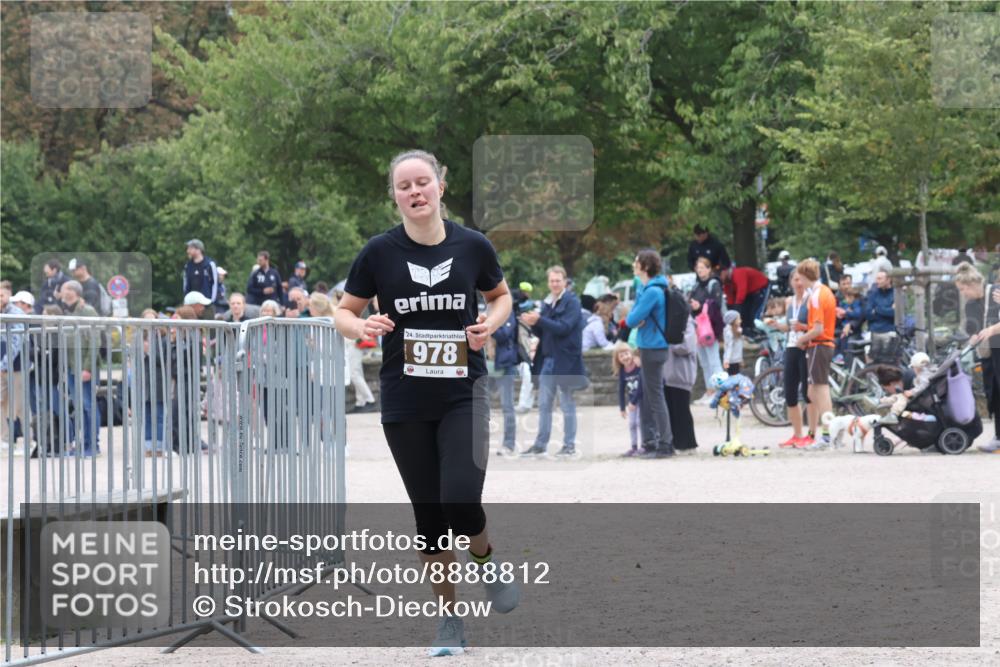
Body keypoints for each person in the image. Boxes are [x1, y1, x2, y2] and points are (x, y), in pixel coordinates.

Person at [333, 149, 519, 656]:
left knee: (460, 499)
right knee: (429, 517)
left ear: (440, 185)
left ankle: (486, 560)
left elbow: (501, 297)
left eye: (422, 182)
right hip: (405, 401)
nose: (414, 192)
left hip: (464, 393)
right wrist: (361, 325)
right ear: (394, 196)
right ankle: (449, 620)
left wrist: (490, 325)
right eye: (403, 186)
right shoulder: (378, 253)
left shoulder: (473, 246)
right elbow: (343, 312)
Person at [519, 266, 585, 458]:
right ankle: (540, 445)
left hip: (565, 361)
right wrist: (532, 323)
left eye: (558, 280)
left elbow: (564, 328)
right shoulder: (547, 303)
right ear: (548, 283)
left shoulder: (572, 302)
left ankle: (569, 446)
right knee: (544, 405)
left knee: (567, 404)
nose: (555, 284)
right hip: (548, 360)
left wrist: (539, 320)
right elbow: (544, 331)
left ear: (565, 281)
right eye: (552, 281)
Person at [624, 249, 674, 459]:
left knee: (655, 397)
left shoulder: (652, 291)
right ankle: (655, 441)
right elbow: (634, 317)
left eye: (636, 262)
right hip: (651, 346)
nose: (634, 265)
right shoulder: (649, 289)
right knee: (653, 396)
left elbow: (631, 320)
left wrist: (637, 318)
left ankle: (665, 443)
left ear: (645, 266)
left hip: (653, 347)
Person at [955, 262, 1000, 452]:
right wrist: (973, 336)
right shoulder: (971, 305)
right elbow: (973, 331)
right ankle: (998, 437)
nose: (963, 293)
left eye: (963, 289)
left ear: (973, 284)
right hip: (988, 353)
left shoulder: (996, 292)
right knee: (994, 393)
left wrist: (991, 329)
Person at [794, 259, 838, 449]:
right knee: (814, 390)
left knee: (820, 389)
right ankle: (831, 430)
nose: (799, 282)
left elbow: (818, 329)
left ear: (804, 276)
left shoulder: (815, 296)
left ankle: (829, 433)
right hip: (823, 344)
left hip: (819, 345)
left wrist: (801, 339)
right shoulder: (826, 291)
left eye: (800, 278)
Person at [56, 280, 102, 456]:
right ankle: (83, 442)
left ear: (72, 292)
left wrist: (88, 368)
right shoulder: (69, 311)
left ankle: (93, 445)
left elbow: (94, 341)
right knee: (80, 407)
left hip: (83, 368)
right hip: (72, 367)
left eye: (63, 289)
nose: (61, 292)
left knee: (89, 406)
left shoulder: (86, 311)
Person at [770, 272, 811, 448]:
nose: (798, 282)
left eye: (801, 279)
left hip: (807, 347)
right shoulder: (789, 301)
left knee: (809, 393)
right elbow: (789, 326)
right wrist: (778, 326)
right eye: (795, 279)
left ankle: (812, 434)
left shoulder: (811, 299)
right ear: (791, 282)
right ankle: (796, 434)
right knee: (790, 393)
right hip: (791, 347)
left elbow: (818, 325)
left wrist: (804, 327)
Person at [1, 291, 34, 455]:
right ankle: (6, 439)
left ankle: (30, 441)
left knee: (20, 406)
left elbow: (16, 341)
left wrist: (5, 364)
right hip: (2, 366)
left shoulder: (15, 313)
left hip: (17, 367)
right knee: (3, 403)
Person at [688, 256, 725, 405]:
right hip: (698, 328)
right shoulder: (696, 286)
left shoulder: (713, 284)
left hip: (710, 328)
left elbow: (716, 305)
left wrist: (700, 305)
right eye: (698, 268)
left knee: (714, 360)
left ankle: (721, 391)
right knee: (704, 362)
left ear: (709, 269)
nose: (700, 270)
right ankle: (710, 390)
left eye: (702, 268)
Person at [663, 312, 698, 453]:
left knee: (682, 410)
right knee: (671, 410)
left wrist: (669, 340)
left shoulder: (688, 323)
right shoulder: (668, 322)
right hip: (667, 374)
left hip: (682, 374)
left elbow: (685, 347)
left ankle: (688, 444)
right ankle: (675, 442)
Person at [490, 308, 520, 455]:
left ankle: (509, 444)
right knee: (476, 405)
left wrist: (486, 325)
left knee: (507, 406)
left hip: (504, 364)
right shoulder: (480, 308)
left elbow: (504, 335)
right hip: (485, 365)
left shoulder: (507, 311)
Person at [719, 264, 770, 340]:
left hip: (761, 288)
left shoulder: (738, 273)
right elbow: (730, 298)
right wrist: (732, 311)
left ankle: (764, 334)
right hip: (750, 293)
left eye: (720, 274)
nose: (719, 277)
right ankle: (750, 332)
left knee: (756, 314)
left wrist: (737, 307)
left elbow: (741, 290)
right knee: (746, 314)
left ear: (725, 271)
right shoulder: (727, 282)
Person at [613, 341, 643, 457]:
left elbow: (641, 387)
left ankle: (642, 446)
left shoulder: (638, 367)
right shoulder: (622, 371)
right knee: (631, 423)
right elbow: (621, 390)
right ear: (618, 359)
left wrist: (634, 402)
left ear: (631, 353)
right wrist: (622, 408)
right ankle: (634, 447)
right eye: (621, 356)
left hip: (640, 400)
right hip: (632, 403)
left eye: (626, 353)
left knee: (639, 423)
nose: (625, 357)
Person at [864, 270, 896, 363]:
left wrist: (877, 310)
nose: (876, 281)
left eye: (880, 278)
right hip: (874, 330)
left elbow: (894, 314)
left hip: (889, 330)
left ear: (888, 280)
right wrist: (887, 309)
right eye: (876, 278)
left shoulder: (895, 294)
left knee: (888, 361)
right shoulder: (873, 294)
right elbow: (868, 313)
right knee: (871, 359)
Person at [182, 239, 220, 305]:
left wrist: (211, 301)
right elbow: (186, 286)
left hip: (207, 304)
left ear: (198, 250)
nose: (187, 251)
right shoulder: (187, 266)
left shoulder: (209, 265)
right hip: (192, 304)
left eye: (190, 249)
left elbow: (215, 284)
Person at [722, 310, 743, 375]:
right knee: (734, 378)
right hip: (731, 361)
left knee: (736, 377)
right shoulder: (729, 333)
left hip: (736, 359)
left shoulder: (737, 330)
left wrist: (741, 359)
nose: (740, 321)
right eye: (738, 319)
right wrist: (726, 360)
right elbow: (729, 347)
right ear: (733, 321)